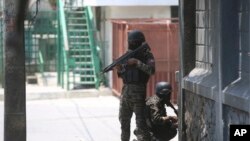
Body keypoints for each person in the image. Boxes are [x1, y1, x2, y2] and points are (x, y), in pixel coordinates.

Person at [115, 29, 155, 141]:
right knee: (123, 122)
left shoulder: (147, 55)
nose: (131, 44)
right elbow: (125, 76)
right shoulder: (127, 55)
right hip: (126, 93)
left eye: (134, 42)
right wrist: (120, 69)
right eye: (130, 41)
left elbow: (151, 70)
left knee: (141, 124)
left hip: (138, 93)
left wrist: (137, 63)